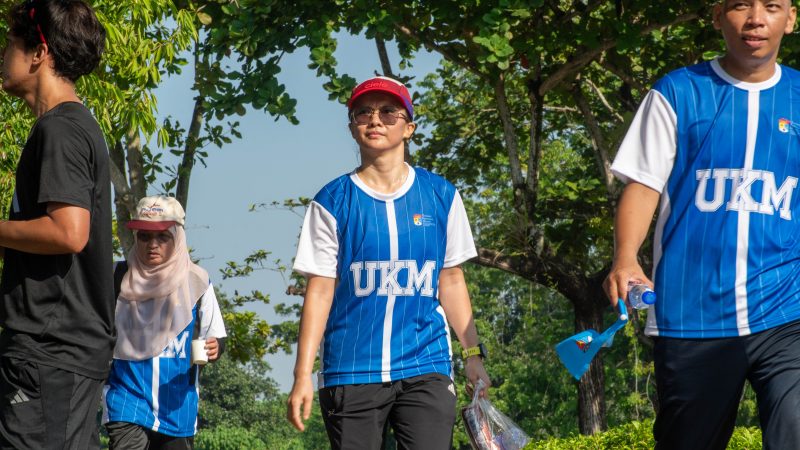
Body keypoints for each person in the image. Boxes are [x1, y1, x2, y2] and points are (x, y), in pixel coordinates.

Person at [604, 1, 800, 449]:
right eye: (740, 5)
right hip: (693, 315)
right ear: (716, 17)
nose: (756, 19)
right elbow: (644, 185)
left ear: (790, 19)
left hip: (788, 310)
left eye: (772, 6)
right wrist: (626, 257)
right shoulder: (677, 92)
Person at [286, 76, 491, 449]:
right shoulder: (331, 202)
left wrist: (472, 355)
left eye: (388, 112)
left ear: (409, 127)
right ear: (352, 127)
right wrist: (302, 374)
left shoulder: (441, 195)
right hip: (351, 369)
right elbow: (319, 292)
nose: (375, 120)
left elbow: (451, 280)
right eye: (363, 113)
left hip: (426, 364)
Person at [0, 0, 111, 448]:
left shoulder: (61, 129)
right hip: (58, 354)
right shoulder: (70, 126)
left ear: (39, 52)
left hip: (50, 352)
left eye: (10, 43)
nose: (3, 55)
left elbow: (68, 232)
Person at [102, 195, 227, 450]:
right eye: (144, 236)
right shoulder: (116, 277)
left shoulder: (198, 281)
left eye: (162, 237)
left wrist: (215, 347)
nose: (152, 245)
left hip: (177, 407)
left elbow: (215, 336)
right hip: (126, 400)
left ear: (178, 237)